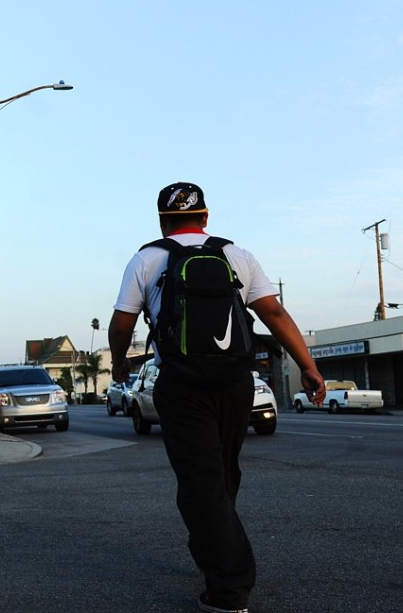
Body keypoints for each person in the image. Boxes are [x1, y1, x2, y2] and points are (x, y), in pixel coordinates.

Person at [108, 182, 326, 613]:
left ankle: (228, 589)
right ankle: (212, 550)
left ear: (162, 222)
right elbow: (274, 313)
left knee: (201, 480)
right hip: (234, 383)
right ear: (205, 217)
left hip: (181, 384)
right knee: (222, 476)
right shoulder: (237, 256)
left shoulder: (146, 259)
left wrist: (118, 363)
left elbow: (121, 324)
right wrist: (308, 365)